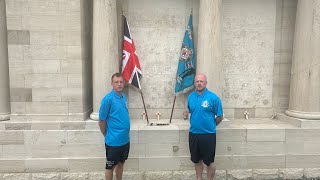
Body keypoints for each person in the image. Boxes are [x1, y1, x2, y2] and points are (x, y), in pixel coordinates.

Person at [187, 73, 224, 180]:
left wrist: (211, 125)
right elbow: (191, 112)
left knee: (210, 162)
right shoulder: (190, 97)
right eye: (197, 81)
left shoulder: (214, 98)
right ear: (194, 83)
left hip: (208, 135)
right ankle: (199, 178)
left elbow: (220, 116)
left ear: (206, 83)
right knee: (196, 160)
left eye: (201, 81)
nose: (199, 83)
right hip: (193, 134)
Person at [98, 73, 130, 180]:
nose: (119, 84)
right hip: (113, 142)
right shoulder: (107, 99)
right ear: (112, 84)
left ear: (124, 83)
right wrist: (106, 134)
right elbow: (101, 120)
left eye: (121, 82)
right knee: (110, 167)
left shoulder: (124, 97)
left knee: (121, 164)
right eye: (116, 82)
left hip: (125, 140)